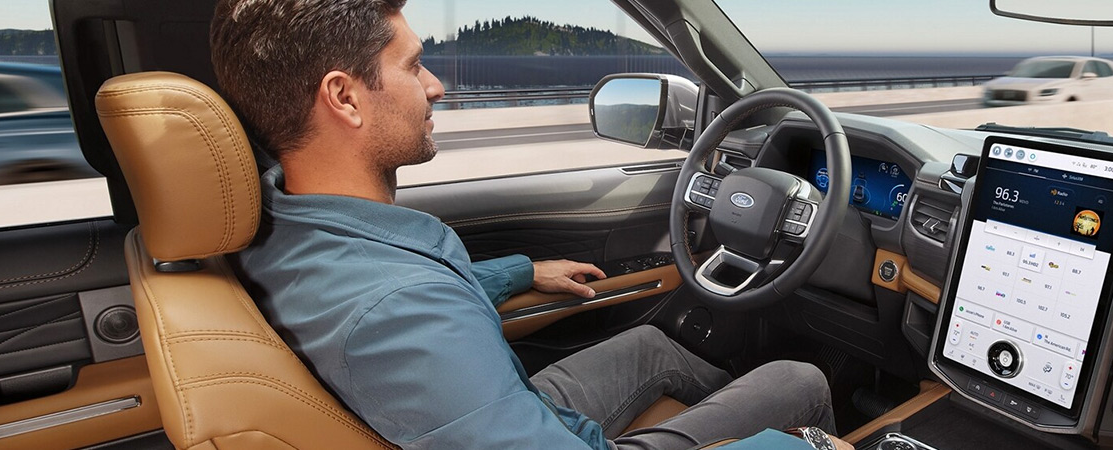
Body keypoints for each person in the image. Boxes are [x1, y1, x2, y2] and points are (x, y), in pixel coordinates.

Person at [209, 0, 848, 448]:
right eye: (412, 66)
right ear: (344, 97)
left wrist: (521, 271)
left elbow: (411, 297)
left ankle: (716, 416)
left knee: (652, 348)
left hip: (492, 413)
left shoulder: (286, 221)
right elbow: (408, 313)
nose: (433, 86)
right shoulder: (401, 312)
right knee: (800, 380)